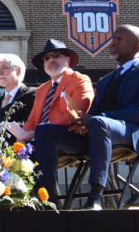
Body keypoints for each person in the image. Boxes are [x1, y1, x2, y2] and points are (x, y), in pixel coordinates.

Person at [80, 24, 139, 209]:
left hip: (136, 132)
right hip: (102, 129)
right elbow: (94, 113)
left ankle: (95, 197)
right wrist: (80, 121)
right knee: (47, 131)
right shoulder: (105, 80)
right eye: (113, 39)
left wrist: (100, 117)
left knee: (99, 122)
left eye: (120, 39)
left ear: (137, 46)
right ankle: (47, 200)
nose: (113, 43)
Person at [9, 39, 93, 205]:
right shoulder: (42, 89)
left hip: (74, 136)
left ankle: (48, 201)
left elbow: (78, 111)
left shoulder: (80, 79)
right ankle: (17, 201)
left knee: (44, 132)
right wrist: (23, 135)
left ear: (67, 60)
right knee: (13, 147)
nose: (51, 60)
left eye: (56, 56)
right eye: (47, 58)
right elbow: (33, 120)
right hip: (44, 138)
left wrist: (35, 132)